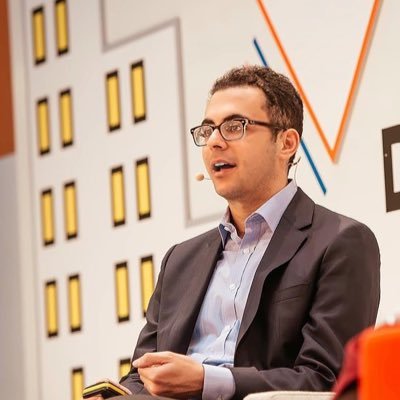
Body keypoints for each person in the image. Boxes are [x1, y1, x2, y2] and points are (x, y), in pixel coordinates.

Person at [87, 65, 380, 400]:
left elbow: (327, 380)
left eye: (234, 127)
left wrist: (207, 381)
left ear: (286, 143)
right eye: (208, 130)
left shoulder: (340, 242)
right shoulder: (180, 260)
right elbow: (142, 374)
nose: (214, 142)